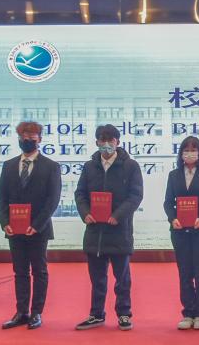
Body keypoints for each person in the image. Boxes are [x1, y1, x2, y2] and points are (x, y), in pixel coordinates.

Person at [73, 124, 144, 331]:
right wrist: (85, 212)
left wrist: (117, 215)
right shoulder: (89, 167)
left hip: (119, 230)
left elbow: (136, 196)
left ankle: (124, 314)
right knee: (97, 279)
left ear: (117, 142)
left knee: (122, 278)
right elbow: (80, 193)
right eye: (102, 140)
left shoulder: (130, 166)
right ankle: (96, 314)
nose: (106, 144)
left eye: (110, 140)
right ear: (96, 142)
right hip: (95, 231)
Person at [0, 121, 62, 330]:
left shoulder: (51, 166)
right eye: (23, 136)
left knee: (39, 271)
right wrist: (4, 222)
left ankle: (36, 313)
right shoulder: (9, 165)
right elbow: (1, 197)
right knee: (20, 272)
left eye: (31, 137)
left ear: (39, 139)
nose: (27, 140)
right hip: (14, 229)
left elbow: (53, 199)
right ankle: (21, 312)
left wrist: (37, 224)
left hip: (38, 229)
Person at [164, 136, 199, 330]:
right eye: (186, 150)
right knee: (185, 272)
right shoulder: (173, 175)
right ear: (181, 154)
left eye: (193, 150)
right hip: (179, 230)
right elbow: (168, 202)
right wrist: (173, 218)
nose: (189, 153)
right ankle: (187, 312)